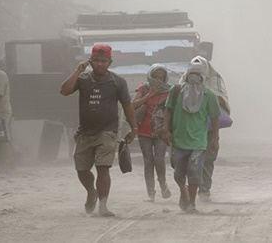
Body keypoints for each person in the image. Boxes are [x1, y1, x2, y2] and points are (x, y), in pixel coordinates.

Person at [60, 44, 138, 217]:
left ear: (110, 62)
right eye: (96, 60)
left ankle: (103, 206)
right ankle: (91, 191)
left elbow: (127, 105)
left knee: (103, 168)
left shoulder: (118, 82)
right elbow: (64, 91)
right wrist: (77, 71)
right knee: (82, 169)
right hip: (85, 132)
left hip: (107, 131)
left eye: (104, 61)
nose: (100, 64)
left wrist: (134, 128)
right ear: (90, 61)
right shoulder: (83, 79)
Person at [161, 63, 220, 214]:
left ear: (203, 78)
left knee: (194, 172)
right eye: (191, 74)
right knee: (178, 173)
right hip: (178, 140)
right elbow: (168, 111)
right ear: (186, 76)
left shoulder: (209, 95)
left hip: (198, 142)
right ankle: (183, 190)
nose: (194, 77)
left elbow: (214, 118)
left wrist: (216, 140)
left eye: (197, 75)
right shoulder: (176, 91)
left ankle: (191, 204)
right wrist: (165, 129)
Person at [180, 56, 230, 203]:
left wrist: (205, 93)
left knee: (208, 159)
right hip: (188, 128)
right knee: (189, 160)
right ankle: (190, 191)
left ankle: (204, 190)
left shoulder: (215, 80)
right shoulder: (182, 84)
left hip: (207, 128)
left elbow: (222, 101)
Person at [131, 63, 173, 202]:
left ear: (165, 78)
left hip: (161, 131)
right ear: (150, 76)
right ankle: (151, 193)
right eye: (155, 76)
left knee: (159, 160)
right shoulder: (143, 88)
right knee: (148, 161)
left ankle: (163, 184)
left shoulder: (170, 91)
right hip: (144, 131)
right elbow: (133, 105)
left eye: (161, 77)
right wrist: (150, 94)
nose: (158, 79)